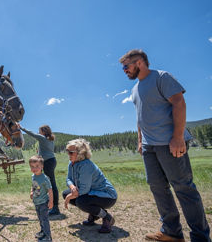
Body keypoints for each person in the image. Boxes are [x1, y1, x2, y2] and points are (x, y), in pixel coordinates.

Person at [120, 49, 210, 242]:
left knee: (184, 188)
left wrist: (178, 137)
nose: (124, 70)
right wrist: (139, 141)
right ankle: (171, 232)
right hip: (149, 147)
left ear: (140, 62)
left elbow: (179, 102)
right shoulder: (135, 89)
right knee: (158, 187)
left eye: (126, 66)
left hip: (169, 143)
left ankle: (201, 237)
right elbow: (140, 118)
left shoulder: (162, 77)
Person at [62, 138, 117, 233]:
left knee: (81, 201)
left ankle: (107, 217)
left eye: (71, 152)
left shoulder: (86, 165)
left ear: (80, 153)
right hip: (92, 193)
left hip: (107, 196)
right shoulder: (72, 163)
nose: (68, 155)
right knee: (65, 193)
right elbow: (68, 179)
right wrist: (72, 187)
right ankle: (94, 214)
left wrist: (69, 197)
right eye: (67, 151)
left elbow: (84, 190)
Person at [21, 125, 60, 215]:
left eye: (40, 131)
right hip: (50, 161)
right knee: (45, 182)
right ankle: (45, 203)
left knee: (50, 184)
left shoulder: (43, 138)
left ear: (44, 131)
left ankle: (55, 207)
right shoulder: (50, 139)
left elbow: (32, 134)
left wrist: (21, 128)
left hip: (47, 163)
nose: (38, 133)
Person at [29, 155, 53, 241]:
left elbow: (50, 190)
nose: (34, 168)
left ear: (42, 166)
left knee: (44, 219)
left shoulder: (45, 178)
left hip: (43, 202)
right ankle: (43, 232)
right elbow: (33, 185)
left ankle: (48, 236)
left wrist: (51, 202)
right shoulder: (33, 176)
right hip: (36, 202)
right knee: (40, 219)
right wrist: (31, 191)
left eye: (37, 166)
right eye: (32, 166)